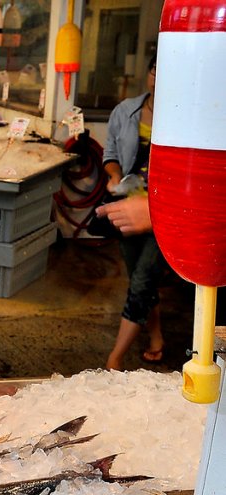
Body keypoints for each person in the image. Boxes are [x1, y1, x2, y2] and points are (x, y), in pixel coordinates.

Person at [99, 56, 168, 371]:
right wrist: (114, 175)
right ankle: (155, 335)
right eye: (155, 70)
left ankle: (115, 357)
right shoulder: (125, 111)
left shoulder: (185, 118)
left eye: (168, 72)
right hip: (129, 210)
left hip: (164, 214)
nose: (158, 78)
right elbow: (110, 153)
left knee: (142, 281)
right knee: (142, 280)